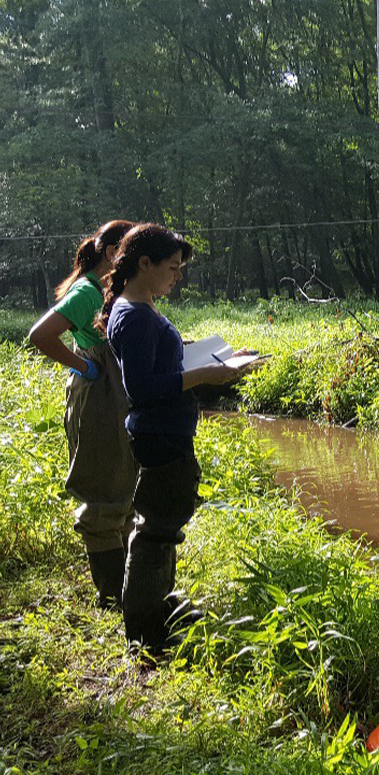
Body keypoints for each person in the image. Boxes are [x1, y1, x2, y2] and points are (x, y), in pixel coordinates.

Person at [101, 223, 244, 653]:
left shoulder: (140, 308)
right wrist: (205, 374)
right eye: (172, 267)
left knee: (162, 527)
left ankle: (156, 612)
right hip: (159, 436)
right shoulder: (135, 315)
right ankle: (145, 634)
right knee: (156, 531)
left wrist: (198, 355)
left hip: (164, 434)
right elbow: (142, 388)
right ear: (143, 264)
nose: (178, 276)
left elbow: (156, 364)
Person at [27, 220, 138, 610]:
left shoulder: (108, 291)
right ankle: (111, 597)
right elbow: (41, 335)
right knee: (103, 489)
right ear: (111, 253)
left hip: (112, 395)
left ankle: (126, 588)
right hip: (97, 397)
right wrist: (83, 366)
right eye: (128, 252)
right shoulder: (86, 292)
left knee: (123, 485)